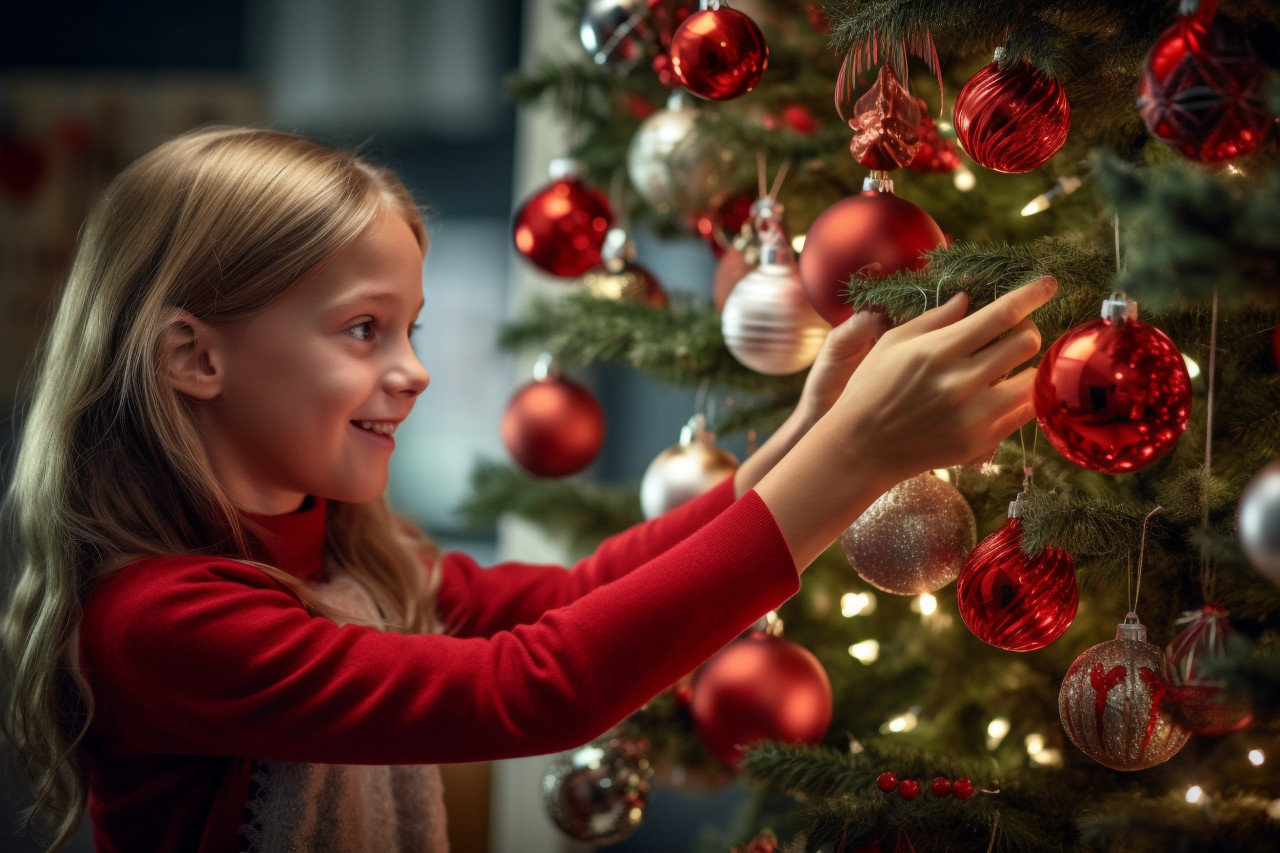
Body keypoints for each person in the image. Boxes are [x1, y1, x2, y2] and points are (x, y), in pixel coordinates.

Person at [0, 126, 1056, 852]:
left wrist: (806, 435)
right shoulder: (160, 622)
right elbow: (535, 684)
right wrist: (856, 459)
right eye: (363, 329)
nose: (411, 370)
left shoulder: (346, 556)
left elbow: (569, 598)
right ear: (195, 356)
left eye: (407, 329)